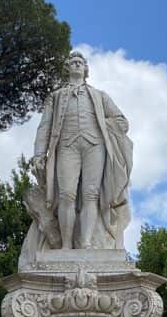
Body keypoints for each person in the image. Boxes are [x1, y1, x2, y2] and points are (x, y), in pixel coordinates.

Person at [29, 51, 133, 251]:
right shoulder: (55, 96)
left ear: (86, 69)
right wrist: (39, 153)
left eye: (80, 62)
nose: (77, 65)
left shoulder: (100, 96)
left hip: (95, 146)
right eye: (73, 62)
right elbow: (44, 126)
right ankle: (66, 245)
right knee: (66, 195)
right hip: (66, 146)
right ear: (67, 68)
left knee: (91, 195)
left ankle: (85, 243)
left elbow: (122, 121)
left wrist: (107, 125)